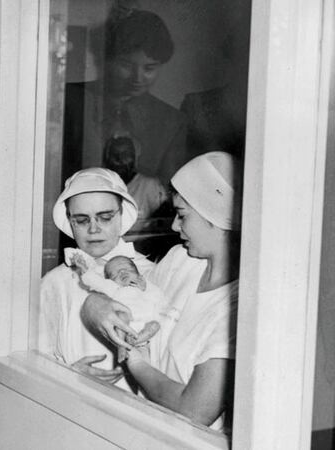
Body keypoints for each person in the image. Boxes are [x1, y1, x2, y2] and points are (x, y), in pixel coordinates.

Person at [82, 151, 241, 430]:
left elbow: (193, 411)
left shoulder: (238, 305)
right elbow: (125, 292)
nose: (174, 225)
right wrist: (94, 305)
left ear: (216, 218)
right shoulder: (180, 260)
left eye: (182, 215)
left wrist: (136, 362)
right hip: (147, 426)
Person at [37, 167, 153, 387]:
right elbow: (39, 358)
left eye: (105, 217)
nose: (93, 229)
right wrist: (68, 376)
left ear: (122, 215)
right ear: (69, 221)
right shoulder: (53, 283)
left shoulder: (149, 274)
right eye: (82, 220)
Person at [62, 8, 189, 186]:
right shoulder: (69, 99)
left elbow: (167, 191)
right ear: (106, 59)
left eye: (149, 68)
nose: (137, 78)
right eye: (126, 65)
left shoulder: (172, 122)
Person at [68, 252, 164, 347]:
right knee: (122, 316)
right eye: (115, 273)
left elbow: (159, 299)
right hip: (125, 324)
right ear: (110, 280)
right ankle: (122, 343)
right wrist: (84, 269)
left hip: (145, 324)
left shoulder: (148, 287)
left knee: (155, 325)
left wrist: (145, 289)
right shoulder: (114, 288)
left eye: (128, 269)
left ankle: (135, 341)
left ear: (139, 274)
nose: (122, 272)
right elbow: (95, 281)